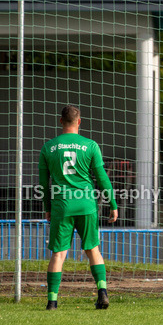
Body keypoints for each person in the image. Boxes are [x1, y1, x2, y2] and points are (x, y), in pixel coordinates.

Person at [37, 106, 118, 310]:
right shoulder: (90, 145)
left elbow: (43, 184)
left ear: (60, 121)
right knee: (92, 249)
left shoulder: (48, 148)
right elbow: (102, 178)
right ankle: (102, 292)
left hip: (62, 205)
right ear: (79, 122)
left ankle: (52, 302)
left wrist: (47, 207)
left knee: (59, 254)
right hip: (86, 204)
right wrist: (113, 204)